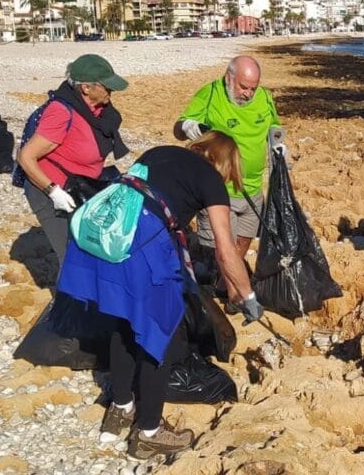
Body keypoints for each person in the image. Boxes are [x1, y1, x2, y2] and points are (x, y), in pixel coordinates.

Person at [58, 132, 263, 461]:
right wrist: (247, 295)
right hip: (143, 246)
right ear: (225, 164)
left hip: (112, 239)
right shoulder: (210, 179)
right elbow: (226, 252)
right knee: (159, 336)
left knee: (123, 323)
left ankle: (120, 410)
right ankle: (148, 434)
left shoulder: (159, 152)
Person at [16, 54, 130, 266]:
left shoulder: (99, 111)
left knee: (91, 250)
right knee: (71, 259)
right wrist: (53, 191)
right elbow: (26, 156)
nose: (111, 91)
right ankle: (66, 299)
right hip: (51, 192)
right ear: (86, 88)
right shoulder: (61, 112)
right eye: (107, 86)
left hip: (82, 187)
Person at [172, 55, 288, 263]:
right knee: (223, 248)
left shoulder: (264, 97)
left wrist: (278, 145)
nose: (248, 94)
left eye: (253, 88)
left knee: (244, 241)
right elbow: (178, 130)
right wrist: (189, 127)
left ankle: (223, 287)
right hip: (219, 188)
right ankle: (224, 282)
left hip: (253, 188)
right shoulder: (210, 94)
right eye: (244, 87)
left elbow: (274, 127)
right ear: (228, 78)